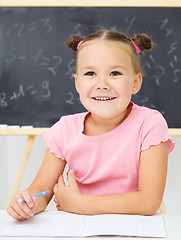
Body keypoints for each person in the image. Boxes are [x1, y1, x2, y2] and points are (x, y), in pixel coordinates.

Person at [7, 29, 175, 220]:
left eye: (115, 73)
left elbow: (148, 202)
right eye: (90, 73)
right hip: (78, 229)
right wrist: (28, 203)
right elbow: (41, 191)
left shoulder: (150, 124)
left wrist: (82, 204)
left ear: (135, 82)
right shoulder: (65, 129)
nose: (102, 84)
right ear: (78, 83)